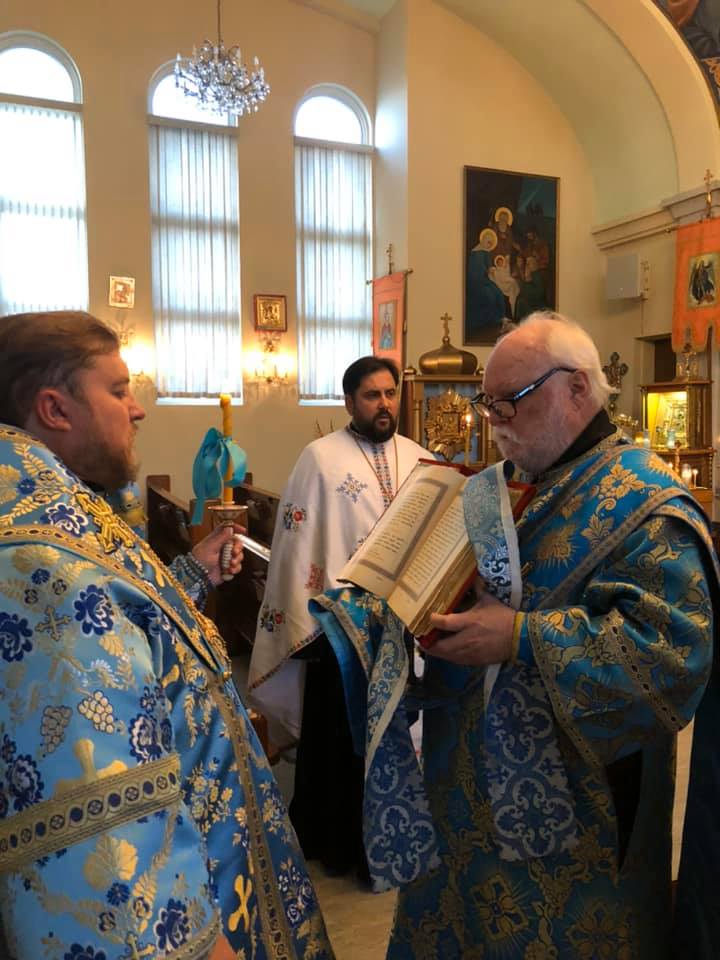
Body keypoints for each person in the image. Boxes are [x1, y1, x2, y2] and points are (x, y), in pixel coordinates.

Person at [312, 311, 719, 957]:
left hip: (578, 823)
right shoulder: (499, 485)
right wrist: (384, 611)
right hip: (463, 794)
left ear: (577, 388)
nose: (494, 420)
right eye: (488, 403)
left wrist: (520, 638)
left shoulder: (648, 506)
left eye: (510, 401)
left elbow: (670, 657)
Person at [0, 311, 333, 960]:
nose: (138, 408)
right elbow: (101, 822)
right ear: (54, 409)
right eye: (118, 390)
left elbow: (122, 631)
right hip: (188, 912)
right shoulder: (43, 564)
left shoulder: (51, 508)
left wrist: (188, 575)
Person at [248, 356, 428, 880]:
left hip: (404, 626)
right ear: (350, 402)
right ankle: (340, 845)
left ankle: (398, 839)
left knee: (398, 735)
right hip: (340, 630)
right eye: (372, 395)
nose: (384, 404)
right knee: (340, 741)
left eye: (390, 393)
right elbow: (296, 544)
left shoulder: (421, 459)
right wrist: (303, 618)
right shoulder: (320, 460)